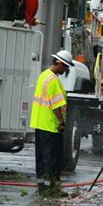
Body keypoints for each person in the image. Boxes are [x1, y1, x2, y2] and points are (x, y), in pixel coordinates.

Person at [30, 50, 74, 196]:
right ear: (59, 63)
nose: (66, 70)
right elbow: (56, 105)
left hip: (39, 122)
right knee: (51, 158)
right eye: (65, 67)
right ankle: (52, 189)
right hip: (50, 125)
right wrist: (61, 122)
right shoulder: (53, 80)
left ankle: (42, 187)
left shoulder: (44, 75)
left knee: (41, 158)